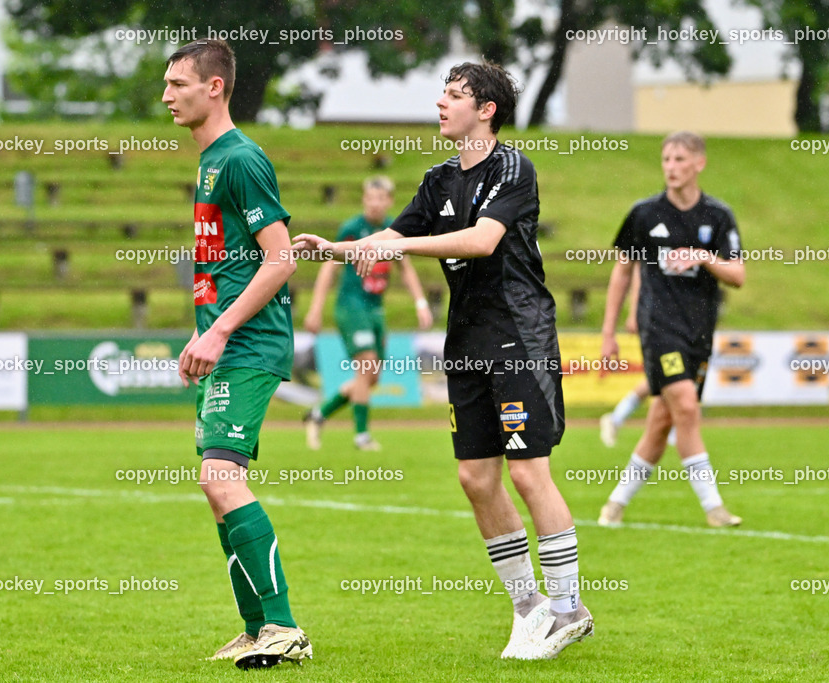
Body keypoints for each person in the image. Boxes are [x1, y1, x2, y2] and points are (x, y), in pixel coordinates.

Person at [294, 61, 592, 661]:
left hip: (519, 338)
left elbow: (482, 240)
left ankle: (568, 609)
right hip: (467, 345)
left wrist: (398, 244)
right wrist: (336, 247)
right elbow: (389, 238)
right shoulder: (436, 180)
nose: (440, 103)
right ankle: (528, 608)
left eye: (454, 95)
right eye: (443, 93)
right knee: (475, 478)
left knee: (529, 472)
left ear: (486, 110)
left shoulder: (514, 168)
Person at [164, 39, 311, 670]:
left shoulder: (241, 159)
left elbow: (280, 258)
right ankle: (257, 630)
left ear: (214, 88)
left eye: (178, 84)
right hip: (224, 342)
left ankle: (281, 627)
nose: (166, 96)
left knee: (220, 479)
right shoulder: (208, 162)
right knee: (216, 483)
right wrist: (203, 330)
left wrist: (219, 330)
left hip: (248, 343)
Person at [597, 131, 745, 529]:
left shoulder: (717, 216)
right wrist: (609, 332)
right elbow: (622, 272)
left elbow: (738, 275)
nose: (671, 167)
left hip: (699, 332)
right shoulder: (644, 214)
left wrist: (704, 257)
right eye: (666, 159)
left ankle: (615, 504)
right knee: (686, 406)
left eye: (680, 159)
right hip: (658, 328)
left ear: (699, 163)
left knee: (661, 423)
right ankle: (714, 508)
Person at [302, 176, 433, 451]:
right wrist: (315, 309)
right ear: (364, 199)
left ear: (389, 200)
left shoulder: (393, 229)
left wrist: (421, 303)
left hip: (376, 309)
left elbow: (405, 268)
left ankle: (319, 414)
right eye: (369, 197)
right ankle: (361, 436)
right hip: (352, 306)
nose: (374, 203)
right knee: (367, 367)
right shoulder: (353, 228)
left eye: (380, 198)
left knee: (370, 378)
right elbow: (329, 266)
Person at [599, 263, 678, 448]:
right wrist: (635, 311)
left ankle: (617, 418)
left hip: (674, 319)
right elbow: (637, 270)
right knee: (667, 377)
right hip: (658, 321)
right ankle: (673, 430)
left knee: (663, 379)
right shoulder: (650, 242)